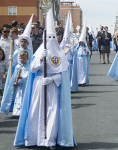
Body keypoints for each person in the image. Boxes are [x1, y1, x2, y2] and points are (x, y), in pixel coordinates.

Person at [14, 9, 76, 149]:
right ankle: (33, 138)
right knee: (36, 110)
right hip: (39, 85)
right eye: (49, 38)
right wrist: (41, 59)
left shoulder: (61, 55)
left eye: (53, 38)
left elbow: (63, 75)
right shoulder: (39, 53)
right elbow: (32, 69)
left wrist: (53, 79)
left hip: (52, 87)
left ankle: (50, 139)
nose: (51, 41)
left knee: (52, 112)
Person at [0, 51, 30, 116]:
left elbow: (28, 76)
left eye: (24, 58)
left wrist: (22, 77)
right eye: (21, 58)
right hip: (19, 86)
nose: (22, 60)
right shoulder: (17, 67)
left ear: (27, 59)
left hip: (24, 86)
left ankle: (23, 111)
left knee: (23, 98)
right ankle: (17, 112)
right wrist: (14, 81)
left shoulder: (28, 67)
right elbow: (14, 76)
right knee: (17, 97)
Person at [71, 23, 91, 90]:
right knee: (78, 71)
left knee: (83, 71)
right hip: (78, 60)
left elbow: (89, 52)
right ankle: (79, 81)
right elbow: (74, 52)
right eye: (80, 42)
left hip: (83, 59)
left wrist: (87, 51)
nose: (81, 43)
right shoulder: (77, 47)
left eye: (82, 42)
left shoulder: (85, 47)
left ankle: (83, 82)